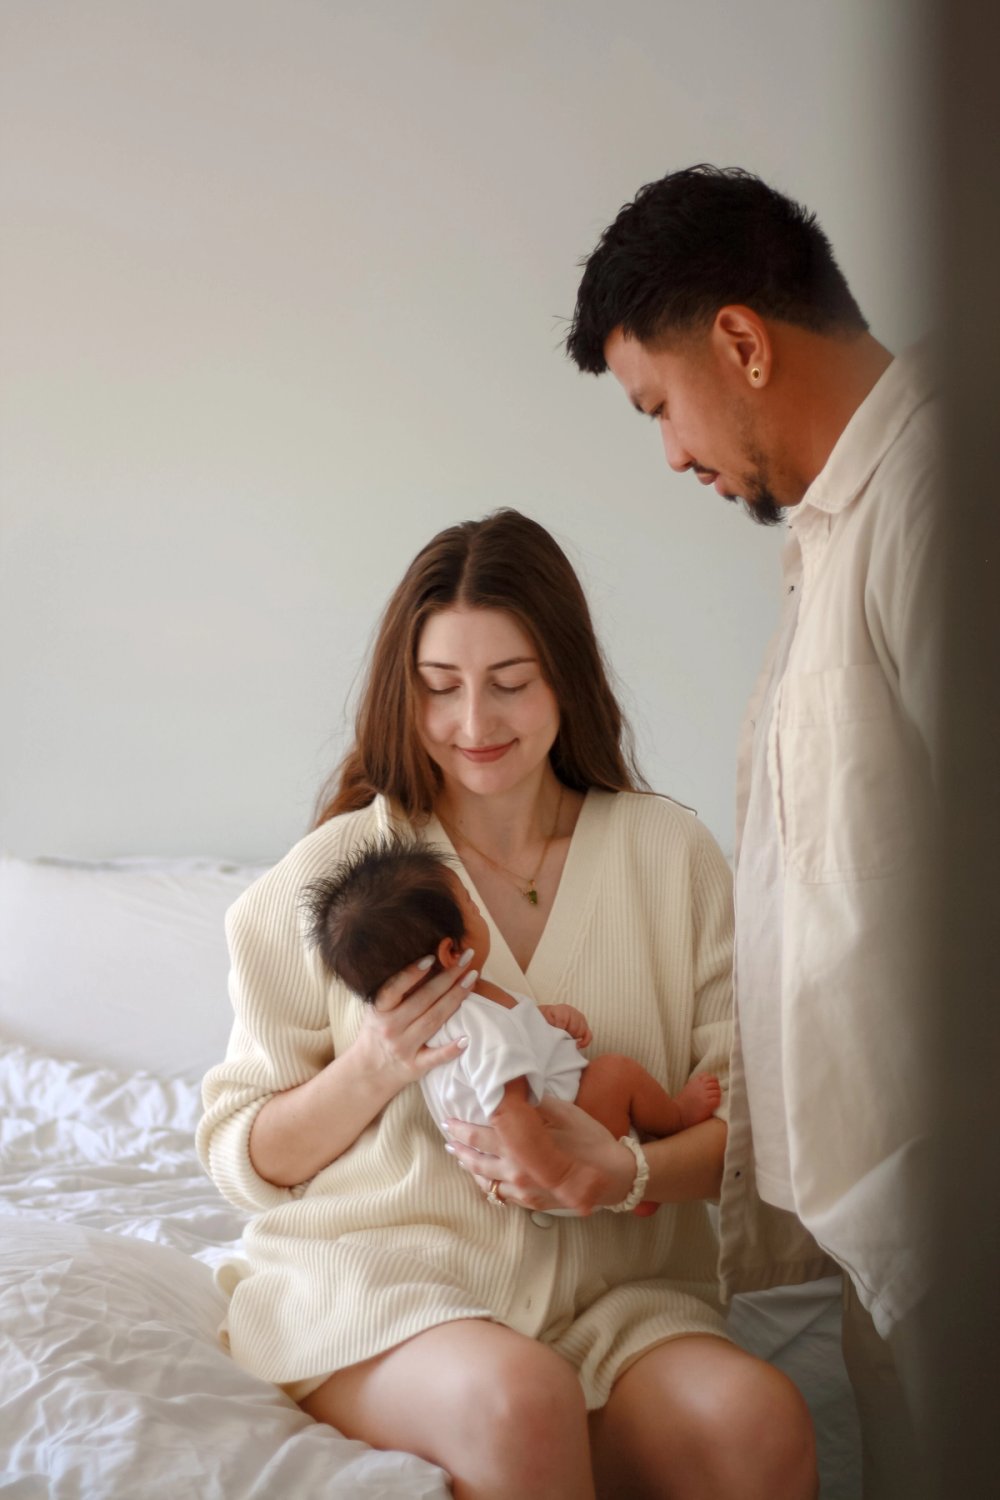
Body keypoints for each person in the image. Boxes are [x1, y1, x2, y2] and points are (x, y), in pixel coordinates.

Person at [198, 508, 817, 1500]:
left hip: (618, 1303)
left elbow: (752, 1122)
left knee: (757, 1422)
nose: (473, 725)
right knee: (519, 1400)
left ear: (565, 678)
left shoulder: (673, 859)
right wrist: (375, 1064)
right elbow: (242, 1158)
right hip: (386, 1294)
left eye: (510, 684)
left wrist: (622, 1170)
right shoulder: (341, 879)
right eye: (440, 689)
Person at [559, 163, 938, 1497]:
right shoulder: (832, 539)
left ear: (739, 339)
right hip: (895, 1234)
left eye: (659, 406)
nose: (670, 454)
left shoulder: (941, 497)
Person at [301, 835, 722, 1213]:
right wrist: (562, 1176)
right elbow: (509, 1109)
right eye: (470, 904)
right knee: (615, 1072)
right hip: (554, 1155)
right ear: (450, 952)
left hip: (533, 1158)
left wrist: (546, 1022)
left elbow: (504, 1048)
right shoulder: (479, 1023)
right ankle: (675, 1119)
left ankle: (637, 1197)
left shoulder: (447, 1021)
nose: (479, 910)